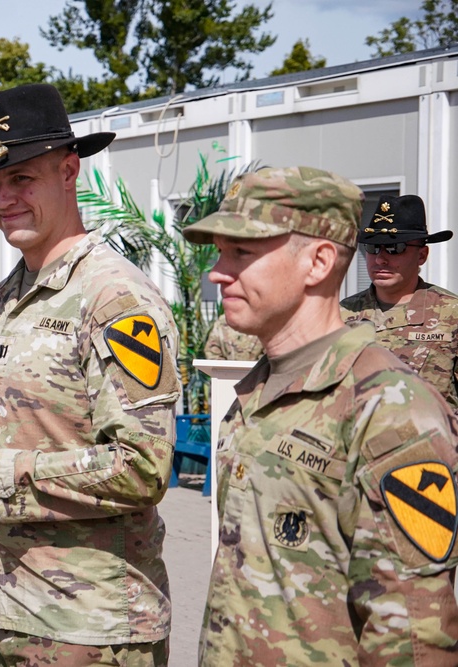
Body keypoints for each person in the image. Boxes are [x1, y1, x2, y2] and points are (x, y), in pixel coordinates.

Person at [0, 83, 182, 666]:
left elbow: (142, 468)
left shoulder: (115, 298)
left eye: (21, 178)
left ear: (70, 171)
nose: (3, 199)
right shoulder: (1, 302)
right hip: (9, 614)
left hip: (91, 628)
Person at [182, 167, 458, 664]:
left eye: (242, 252)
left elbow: (413, 641)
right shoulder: (260, 388)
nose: (218, 272)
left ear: (319, 262)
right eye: (220, 252)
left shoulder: (390, 410)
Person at [341, 194, 458, 414]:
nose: (380, 259)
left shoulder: (451, 315)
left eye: (395, 248)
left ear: (422, 255)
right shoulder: (341, 314)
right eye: (373, 248)